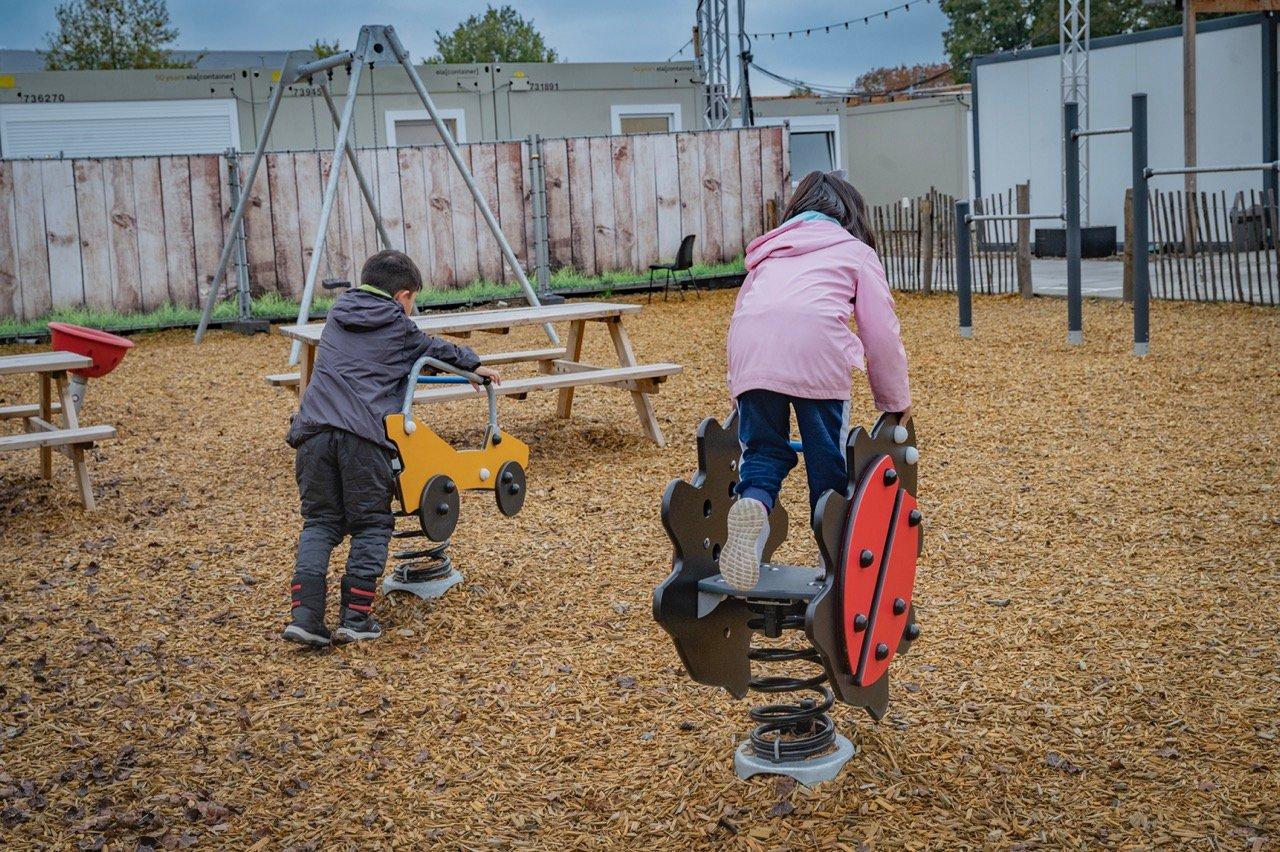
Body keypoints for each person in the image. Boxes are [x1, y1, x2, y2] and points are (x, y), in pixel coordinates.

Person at [282, 250, 501, 647]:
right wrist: (474, 364)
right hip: (362, 437)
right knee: (371, 523)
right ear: (402, 296)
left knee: (321, 523)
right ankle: (355, 618)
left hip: (311, 433)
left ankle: (305, 617)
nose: (412, 308)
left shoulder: (336, 315)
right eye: (412, 300)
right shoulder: (399, 326)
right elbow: (432, 349)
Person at [720, 170, 912, 591]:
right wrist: (893, 401)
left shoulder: (769, 251)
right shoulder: (854, 251)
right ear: (851, 214)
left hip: (754, 356)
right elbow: (881, 333)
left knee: (763, 452)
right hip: (817, 354)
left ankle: (751, 506)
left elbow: (744, 315)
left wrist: (741, 387)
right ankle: (835, 562)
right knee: (827, 461)